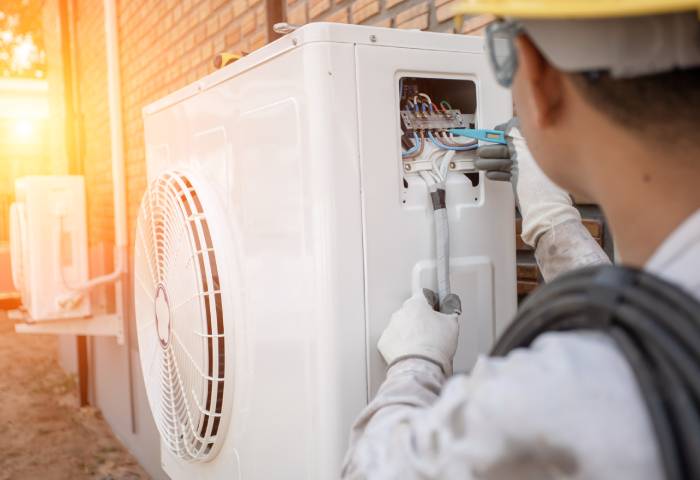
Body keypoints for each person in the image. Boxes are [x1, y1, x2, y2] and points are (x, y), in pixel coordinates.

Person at [342, 1, 700, 478]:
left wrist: (415, 362)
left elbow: (370, 469)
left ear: (537, 78)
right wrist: (554, 226)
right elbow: (652, 310)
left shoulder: (555, 396)